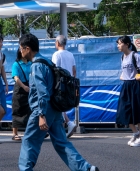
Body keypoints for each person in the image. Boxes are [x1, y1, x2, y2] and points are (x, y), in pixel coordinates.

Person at [18, 33, 99, 171]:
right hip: (55, 109)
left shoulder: (36, 66)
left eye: (21, 48)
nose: (20, 51)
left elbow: (42, 92)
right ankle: (86, 168)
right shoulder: (47, 62)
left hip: (43, 109)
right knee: (61, 143)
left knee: (29, 141)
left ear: (27, 49)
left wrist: (41, 115)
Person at [116, 36, 140, 147]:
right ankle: (135, 133)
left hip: (136, 86)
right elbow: (125, 71)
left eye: (120, 43)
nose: (118, 46)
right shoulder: (123, 57)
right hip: (126, 85)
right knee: (124, 111)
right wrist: (123, 76)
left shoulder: (135, 55)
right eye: (117, 44)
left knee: (138, 111)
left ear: (127, 44)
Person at [52, 35, 77, 137]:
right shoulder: (71, 55)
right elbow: (74, 70)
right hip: (69, 83)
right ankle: (68, 123)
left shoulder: (56, 54)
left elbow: (54, 69)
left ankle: (66, 125)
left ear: (58, 43)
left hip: (59, 84)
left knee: (58, 105)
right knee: (61, 106)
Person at [11, 48, 32, 142]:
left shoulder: (31, 63)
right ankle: (15, 133)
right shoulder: (16, 64)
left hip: (29, 88)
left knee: (30, 110)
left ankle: (31, 132)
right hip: (20, 88)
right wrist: (24, 87)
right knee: (17, 109)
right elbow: (16, 78)